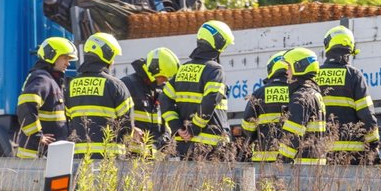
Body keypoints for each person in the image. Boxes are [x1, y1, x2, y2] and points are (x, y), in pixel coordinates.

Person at [161, 20, 234, 159]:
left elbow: (164, 99)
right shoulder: (215, 70)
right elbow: (210, 100)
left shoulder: (183, 69)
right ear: (219, 43)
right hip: (210, 146)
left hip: (183, 144)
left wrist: (177, 127)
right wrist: (194, 128)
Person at [314, 25, 380, 165]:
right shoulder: (355, 75)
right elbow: (366, 114)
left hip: (320, 151)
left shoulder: (314, 74)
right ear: (351, 48)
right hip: (352, 155)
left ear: (327, 46)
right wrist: (374, 145)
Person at [65, 32, 135, 159]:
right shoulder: (115, 85)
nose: (113, 62)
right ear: (107, 54)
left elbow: (68, 121)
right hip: (110, 160)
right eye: (113, 56)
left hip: (79, 158)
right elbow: (127, 125)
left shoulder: (71, 85)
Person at [15, 37, 78, 159]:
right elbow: (25, 107)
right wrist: (37, 136)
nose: (68, 63)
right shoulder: (42, 79)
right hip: (37, 155)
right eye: (65, 57)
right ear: (52, 55)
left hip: (47, 154)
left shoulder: (52, 80)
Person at [121, 47, 181, 156]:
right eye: (164, 77)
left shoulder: (161, 89)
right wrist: (132, 129)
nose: (165, 81)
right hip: (131, 157)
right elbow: (116, 117)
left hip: (156, 158)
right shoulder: (128, 84)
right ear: (154, 69)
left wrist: (164, 141)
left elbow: (165, 122)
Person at [278, 47, 327, 164]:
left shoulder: (301, 98)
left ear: (299, 67)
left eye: (289, 67)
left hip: (302, 168)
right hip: (316, 164)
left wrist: (280, 164)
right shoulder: (315, 94)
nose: (286, 72)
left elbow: (292, 136)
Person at [241, 51, 291, 162]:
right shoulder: (295, 92)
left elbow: (247, 126)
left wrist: (254, 135)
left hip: (262, 156)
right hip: (287, 157)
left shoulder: (259, 93)